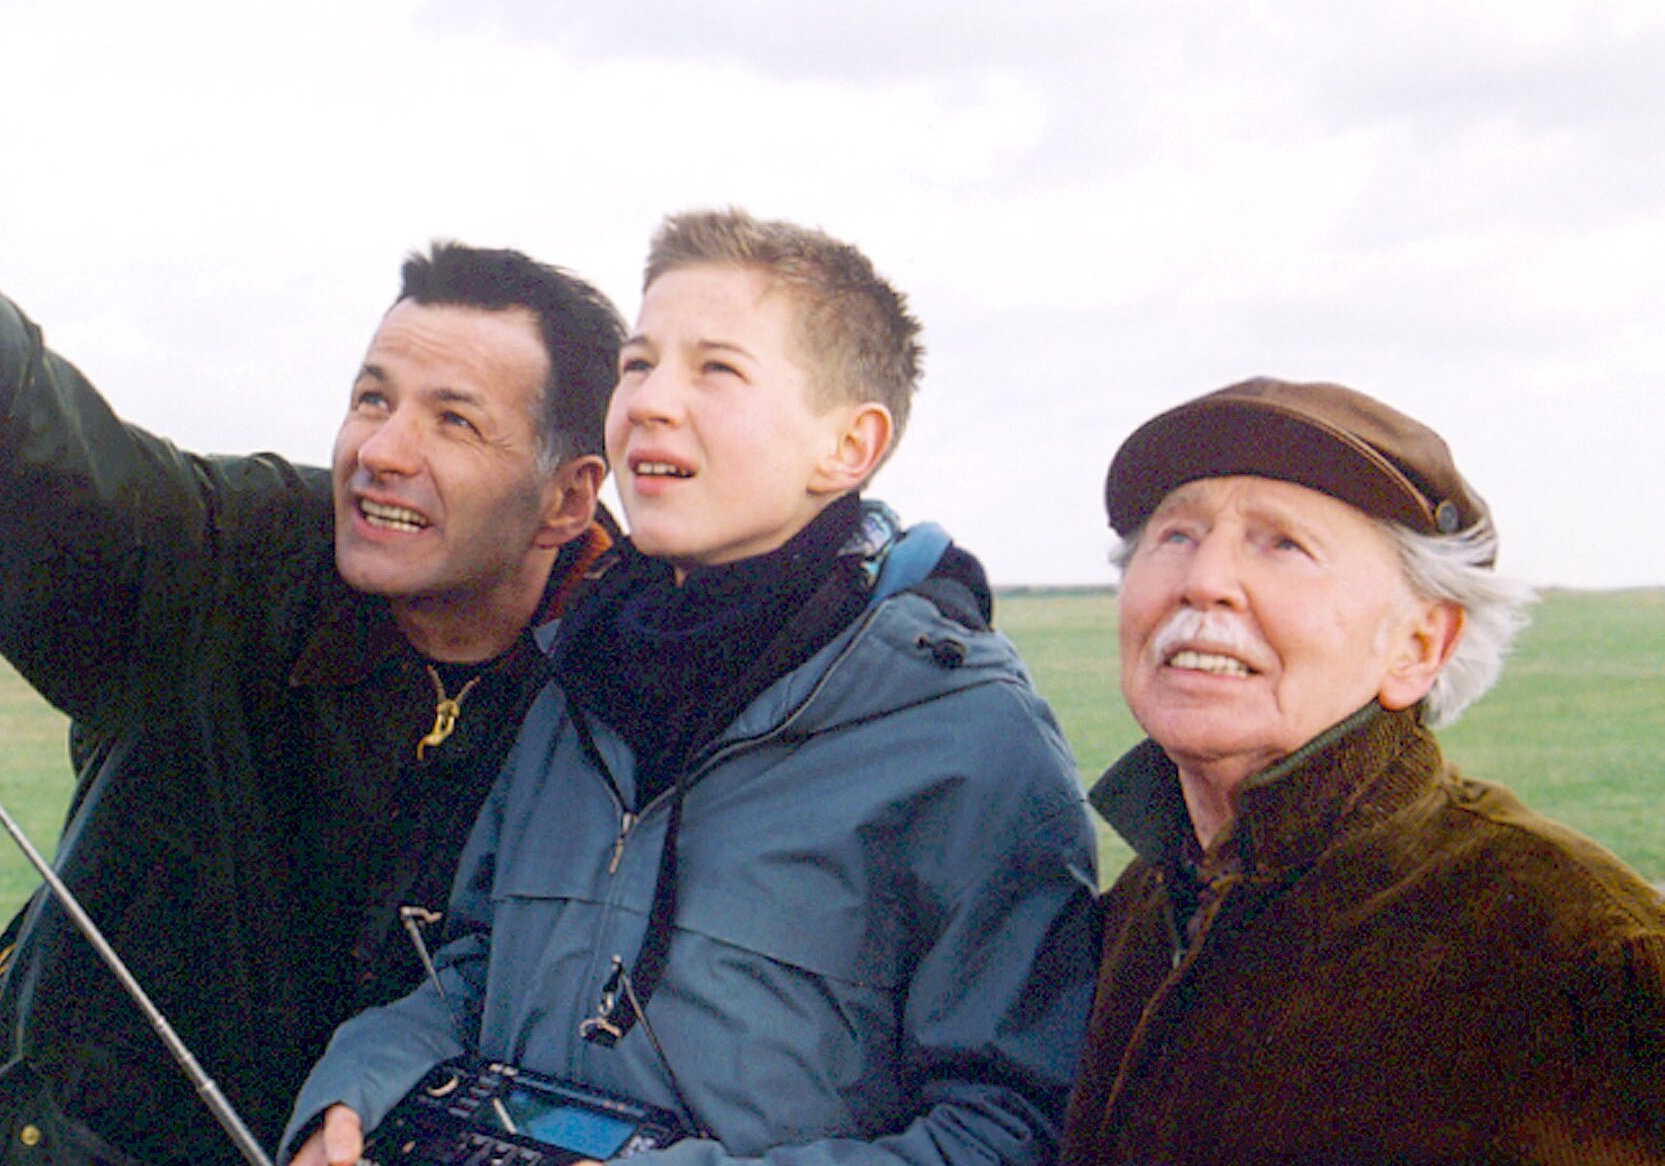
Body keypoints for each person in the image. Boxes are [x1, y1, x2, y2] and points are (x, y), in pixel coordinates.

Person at [0, 3, 627, 1163]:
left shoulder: (638, 694)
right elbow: (61, 485)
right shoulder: (236, 557)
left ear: (567, 496)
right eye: (372, 396)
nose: (383, 449)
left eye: (454, 419)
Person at [285, 208, 1102, 1166]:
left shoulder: (966, 736)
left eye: (715, 370)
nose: (649, 401)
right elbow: (473, 967)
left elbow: (1010, 1130)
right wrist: (357, 1091)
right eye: (638, 364)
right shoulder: (578, 673)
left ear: (848, 446)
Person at [1058, 377, 1665, 1164]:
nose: (1202, 580)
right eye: (1175, 535)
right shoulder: (1141, 908)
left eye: (1283, 544)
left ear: (1419, 647)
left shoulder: (1578, 959)